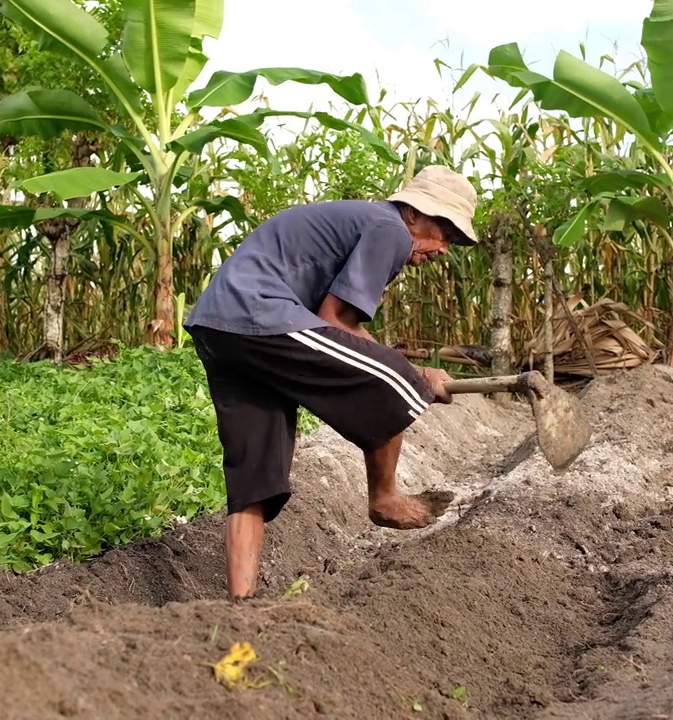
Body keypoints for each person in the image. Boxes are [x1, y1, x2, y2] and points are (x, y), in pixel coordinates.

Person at [182, 165, 479, 600]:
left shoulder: (366, 222)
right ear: (414, 213)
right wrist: (417, 377)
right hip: (259, 315)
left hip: (218, 327)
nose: (442, 249)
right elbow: (335, 322)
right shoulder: (390, 229)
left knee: (255, 477)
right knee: (391, 381)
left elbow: (339, 329)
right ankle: (385, 498)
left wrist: (405, 371)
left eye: (451, 242)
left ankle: (239, 603)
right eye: (443, 232)